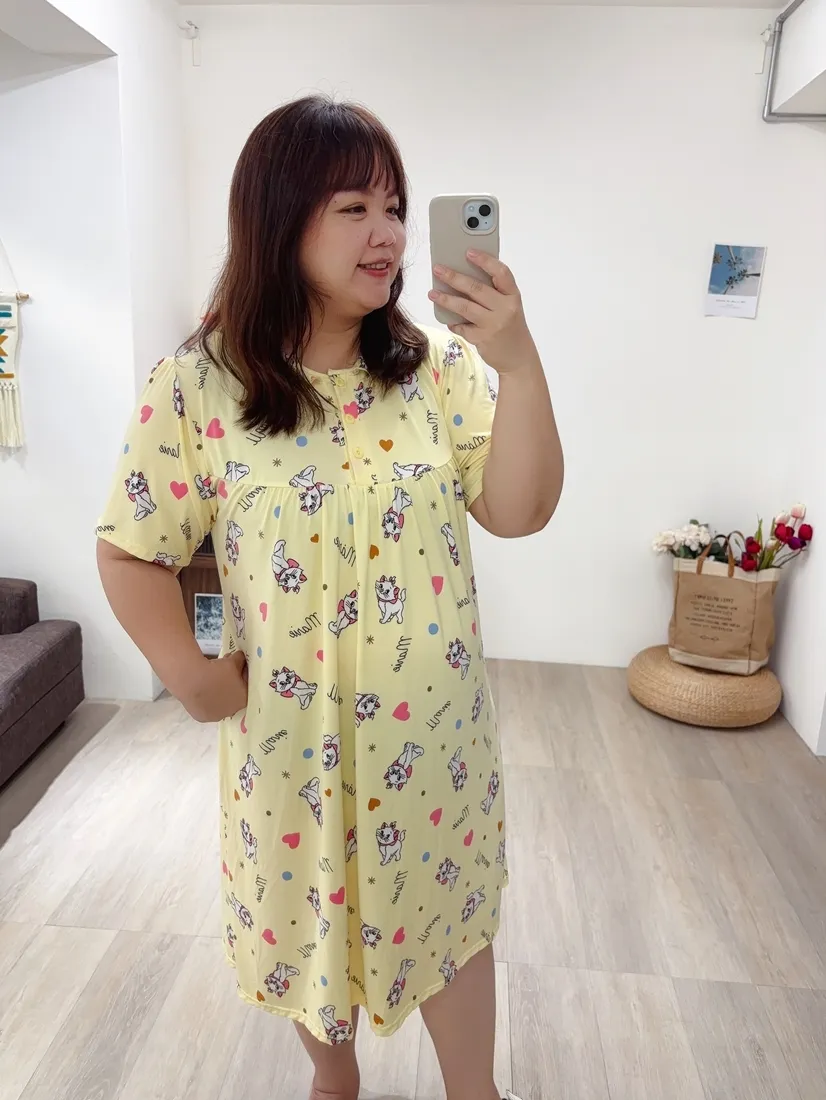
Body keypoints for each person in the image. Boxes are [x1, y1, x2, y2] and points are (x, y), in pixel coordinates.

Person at [96, 95, 563, 1100]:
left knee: (447, 917)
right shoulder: (200, 385)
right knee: (307, 916)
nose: (386, 233)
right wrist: (190, 676)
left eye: (393, 206)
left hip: (430, 743)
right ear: (278, 218)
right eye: (353, 207)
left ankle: (474, 1089)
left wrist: (518, 362)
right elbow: (132, 547)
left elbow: (521, 509)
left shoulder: (437, 371)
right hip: (287, 744)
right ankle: (334, 1075)